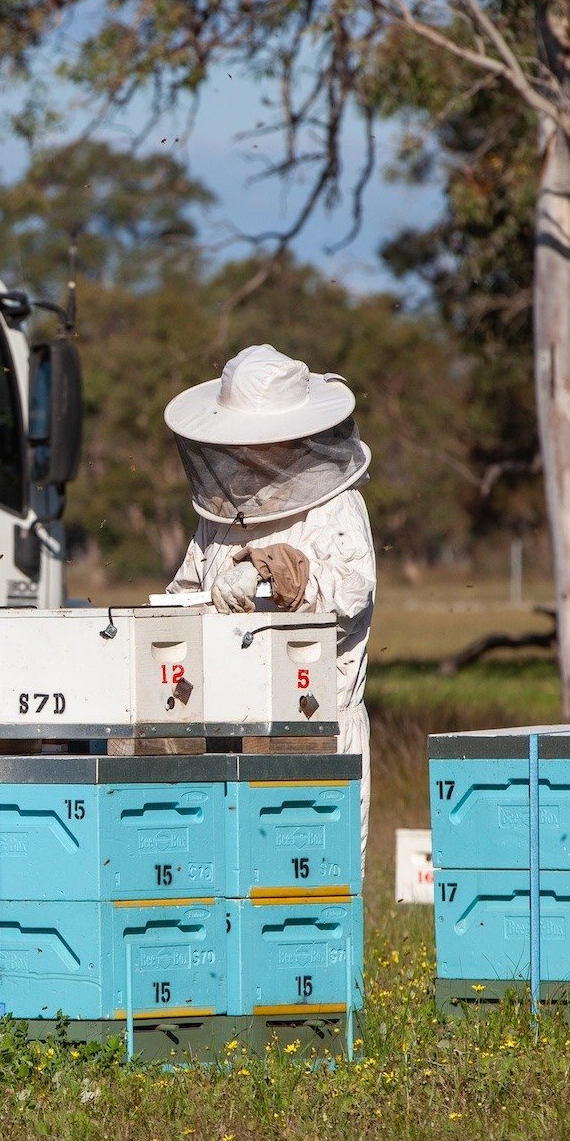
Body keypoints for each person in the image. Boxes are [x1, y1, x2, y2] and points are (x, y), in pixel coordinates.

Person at [164, 344, 376, 823]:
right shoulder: (221, 513)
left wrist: (272, 569)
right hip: (219, 728)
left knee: (314, 890)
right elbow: (183, 594)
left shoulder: (334, 506)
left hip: (315, 725)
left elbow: (349, 596)